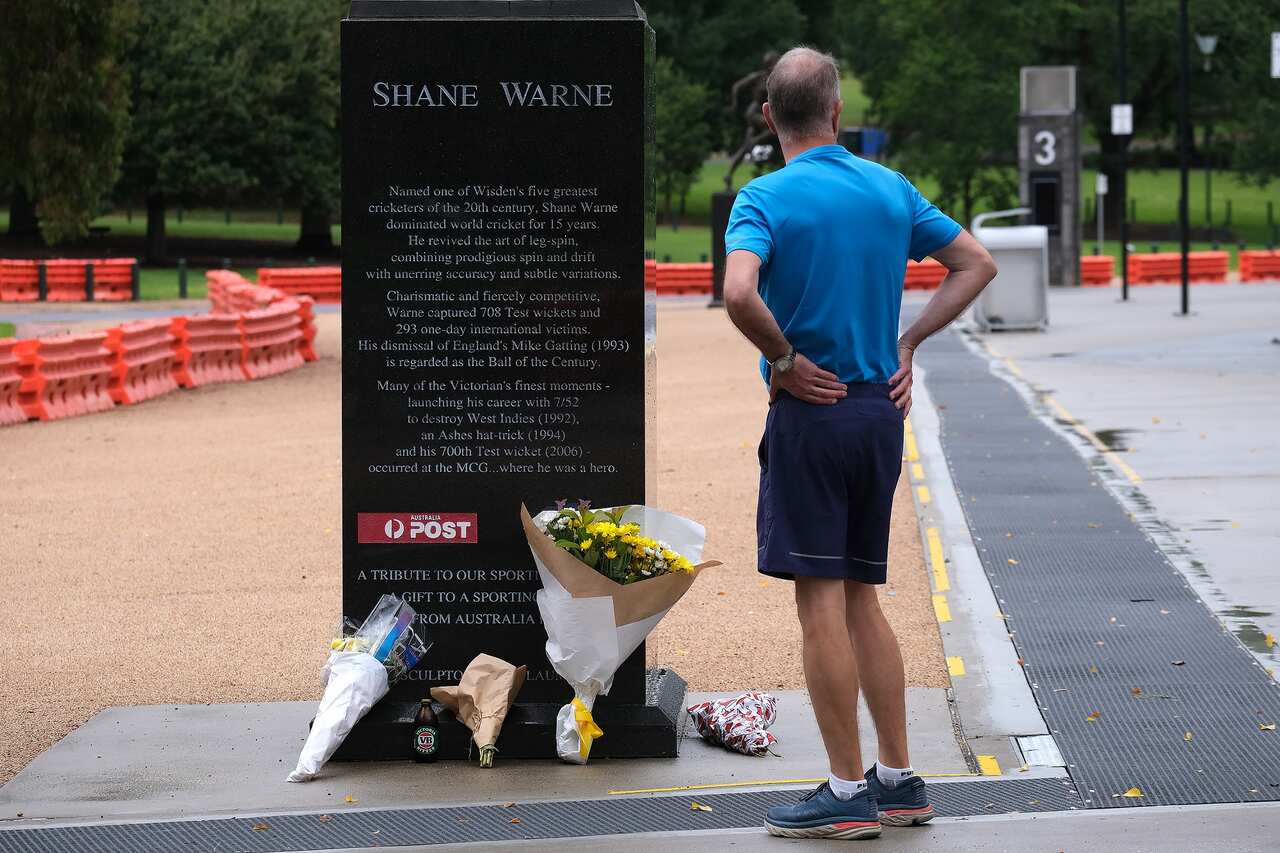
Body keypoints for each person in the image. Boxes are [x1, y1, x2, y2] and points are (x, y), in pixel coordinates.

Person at [722, 46, 997, 840]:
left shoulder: (763, 198)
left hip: (811, 415)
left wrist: (782, 360)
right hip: (879, 412)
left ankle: (846, 795)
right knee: (863, 599)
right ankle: (900, 779)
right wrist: (909, 344)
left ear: (770, 116)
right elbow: (975, 264)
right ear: (838, 113)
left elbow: (740, 290)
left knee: (820, 608)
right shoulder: (890, 188)